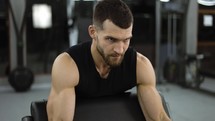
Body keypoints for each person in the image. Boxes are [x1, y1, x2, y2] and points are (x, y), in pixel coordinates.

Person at [46, 0, 171, 121]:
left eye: (126, 40)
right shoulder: (68, 65)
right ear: (93, 32)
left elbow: (159, 119)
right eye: (111, 39)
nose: (120, 50)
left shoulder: (140, 65)